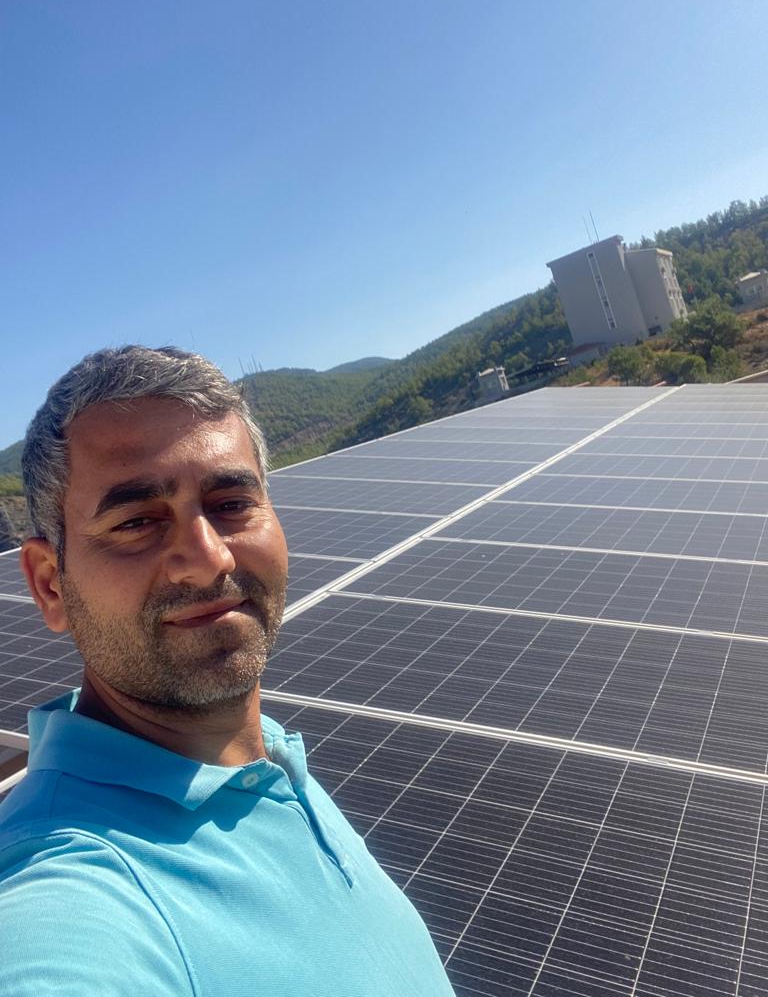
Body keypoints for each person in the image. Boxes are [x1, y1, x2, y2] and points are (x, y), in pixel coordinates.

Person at [0, 345, 456, 997]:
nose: (209, 557)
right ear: (50, 585)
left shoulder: (260, 752)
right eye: (137, 521)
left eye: (231, 502)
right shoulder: (72, 887)